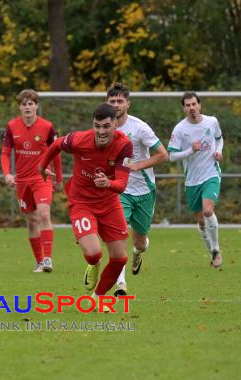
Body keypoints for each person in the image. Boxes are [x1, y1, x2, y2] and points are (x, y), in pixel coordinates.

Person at [38, 103, 133, 312]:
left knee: (120, 258)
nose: (101, 131)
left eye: (106, 126)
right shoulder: (79, 139)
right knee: (93, 253)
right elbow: (55, 145)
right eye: (97, 126)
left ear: (116, 124)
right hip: (82, 203)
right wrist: (42, 166)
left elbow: (122, 185)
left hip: (109, 204)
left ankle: (98, 298)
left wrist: (107, 183)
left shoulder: (124, 145)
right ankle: (93, 264)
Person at [106, 83, 169, 296]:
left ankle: (138, 252)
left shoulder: (139, 128)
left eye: (119, 101)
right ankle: (121, 284)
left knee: (140, 240)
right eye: (112, 101)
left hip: (143, 190)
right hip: (119, 190)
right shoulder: (104, 127)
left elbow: (163, 154)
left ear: (127, 104)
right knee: (119, 233)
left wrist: (137, 165)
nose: (115, 105)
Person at [0, 89, 63, 273]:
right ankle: (39, 261)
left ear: (36, 106)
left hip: (42, 178)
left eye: (31, 103)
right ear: (19, 107)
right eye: (24, 104)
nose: (27, 107)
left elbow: (56, 153)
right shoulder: (12, 126)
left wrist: (59, 178)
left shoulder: (47, 127)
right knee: (31, 221)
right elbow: (5, 153)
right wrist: (7, 174)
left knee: (44, 215)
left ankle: (48, 259)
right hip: (22, 180)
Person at [168, 91, 223, 268]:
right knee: (201, 220)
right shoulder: (180, 129)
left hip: (211, 174)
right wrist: (190, 150)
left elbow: (219, 139)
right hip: (192, 180)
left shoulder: (212, 122)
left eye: (194, 104)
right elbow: (172, 156)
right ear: (184, 108)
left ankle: (216, 251)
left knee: (208, 212)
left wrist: (219, 151)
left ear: (199, 105)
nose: (191, 108)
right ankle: (210, 249)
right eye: (187, 105)